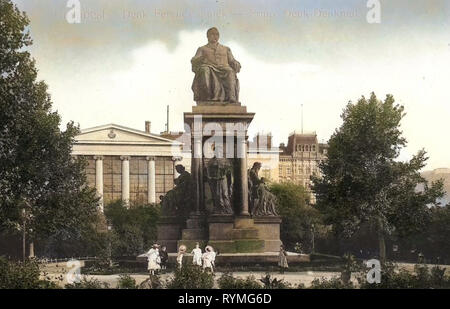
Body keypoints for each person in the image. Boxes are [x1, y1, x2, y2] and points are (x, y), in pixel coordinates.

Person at [191, 27, 241, 103]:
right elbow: (194, 60)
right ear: (208, 36)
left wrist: (236, 64)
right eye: (213, 34)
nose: (215, 36)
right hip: (209, 67)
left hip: (224, 68)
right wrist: (198, 60)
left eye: (217, 34)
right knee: (205, 70)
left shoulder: (226, 49)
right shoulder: (202, 49)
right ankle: (206, 97)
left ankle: (231, 97)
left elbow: (232, 60)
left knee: (230, 72)